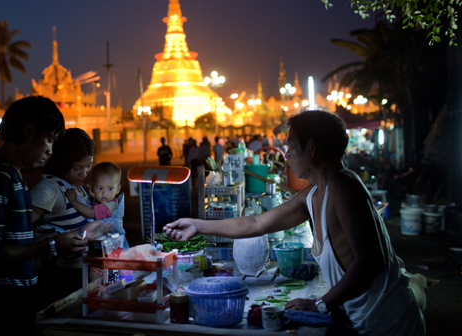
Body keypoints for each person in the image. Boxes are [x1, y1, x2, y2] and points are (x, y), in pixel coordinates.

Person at [164, 108, 424, 335]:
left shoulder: (343, 186)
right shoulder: (310, 195)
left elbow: (370, 262)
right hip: (362, 322)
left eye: (290, 147)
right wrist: (198, 225)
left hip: (389, 323)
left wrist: (322, 303)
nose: (286, 155)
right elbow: (256, 224)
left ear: (311, 148)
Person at [0, 96, 91, 336]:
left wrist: (57, 239)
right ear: (29, 131)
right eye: (49, 140)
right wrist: (52, 244)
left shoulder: (15, 177)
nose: (50, 151)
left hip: (18, 298)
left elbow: (15, 242)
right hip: (0, 307)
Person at [31, 128, 113, 300]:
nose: (84, 174)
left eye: (88, 165)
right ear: (62, 162)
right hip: (64, 278)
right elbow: (18, 234)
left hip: (85, 273)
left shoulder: (76, 186)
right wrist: (55, 241)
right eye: (77, 168)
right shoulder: (50, 189)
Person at [66, 161, 128, 249]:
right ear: (92, 187)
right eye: (99, 188)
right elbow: (95, 202)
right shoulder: (103, 201)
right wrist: (91, 194)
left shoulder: (108, 206)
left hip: (115, 247)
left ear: (118, 189)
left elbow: (91, 213)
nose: (104, 193)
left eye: (110, 188)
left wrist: (74, 201)